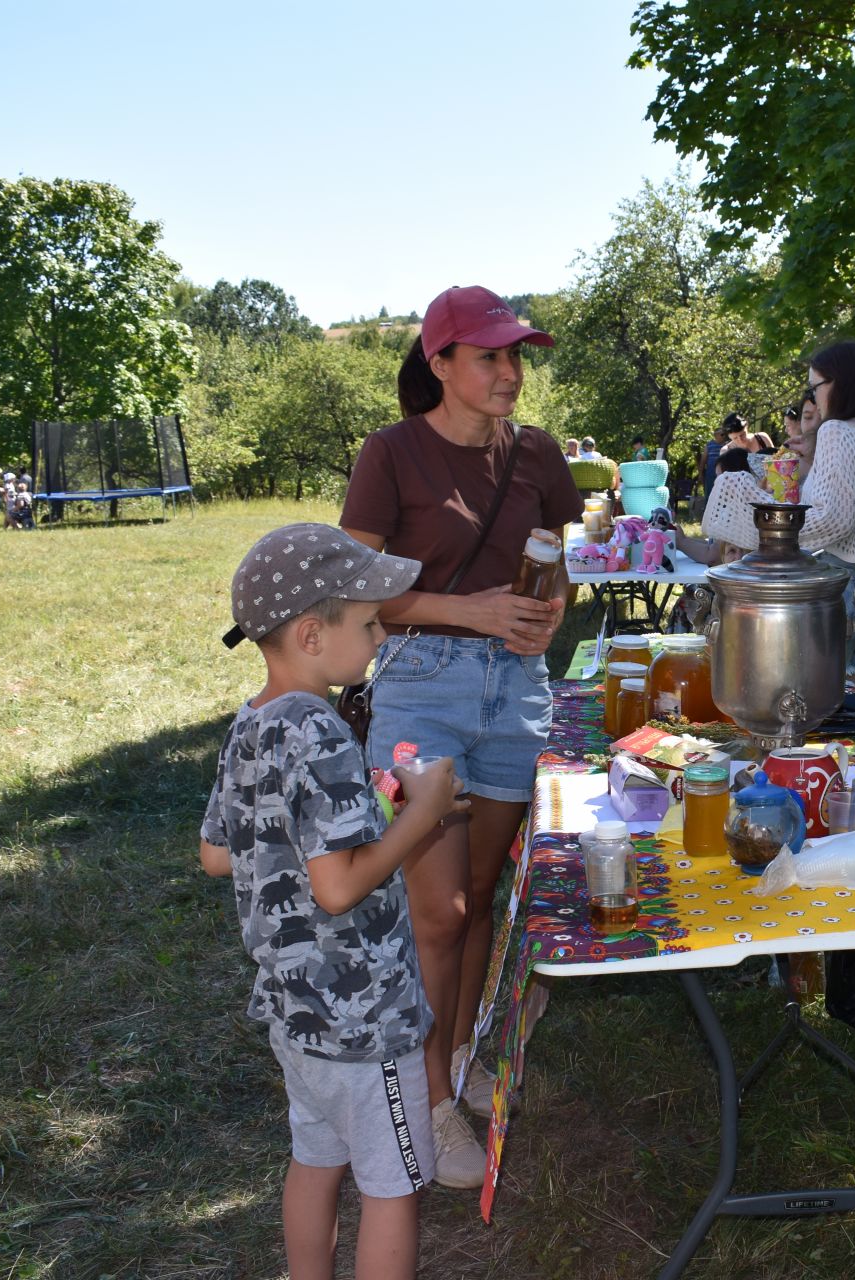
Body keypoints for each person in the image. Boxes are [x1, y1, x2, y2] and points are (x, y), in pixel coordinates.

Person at [339, 284, 582, 1188]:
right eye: (489, 356)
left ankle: (466, 1056)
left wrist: (545, 617)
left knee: (480, 900)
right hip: (417, 695)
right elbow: (355, 594)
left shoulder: (541, 457)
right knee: (433, 915)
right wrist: (468, 611)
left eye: (516, 355)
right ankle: (431, 1103)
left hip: (516, 694)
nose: (511, 372)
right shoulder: (391, 454)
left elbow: (552, 573)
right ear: (440, 363)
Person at [201, 522, 468, 1279]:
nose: (383, 635)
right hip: (364, 1019)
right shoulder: (320, 729)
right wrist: (423, 813)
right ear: (313, 636)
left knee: (314, 1157)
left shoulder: (250, 724)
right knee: (391, 1187)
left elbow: (217, 855)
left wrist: (371, 817)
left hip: (295, 1012)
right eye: (371, 622)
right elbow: (340, 883)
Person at [702, 339, 855, 678]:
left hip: (839, 590)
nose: (813, 398)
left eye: (816, 388)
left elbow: (833, 518)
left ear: (839, 383)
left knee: (814, 700)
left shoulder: (837, 431)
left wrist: (770, 521)